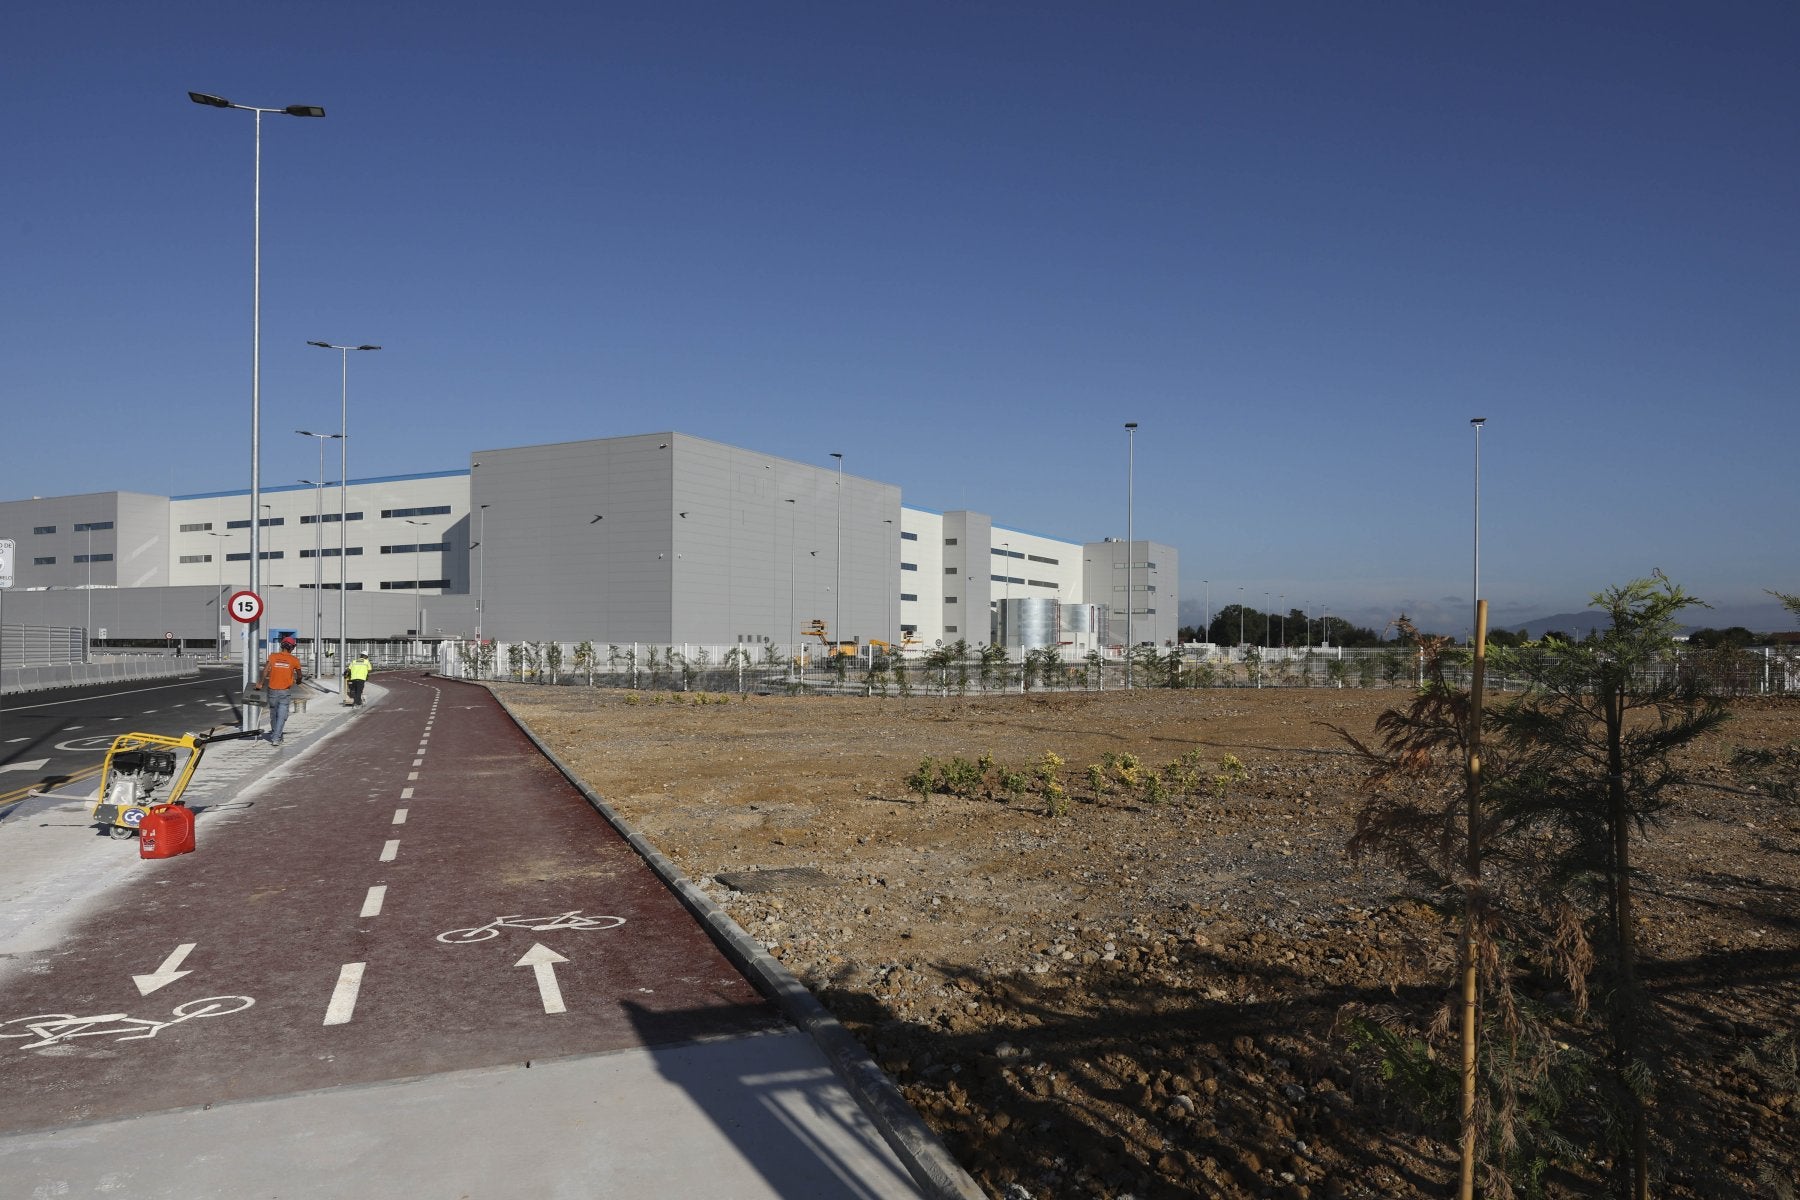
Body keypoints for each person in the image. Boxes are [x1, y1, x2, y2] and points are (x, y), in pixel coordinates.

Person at [259, 635, 304, 745]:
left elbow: (265, 670)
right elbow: (299, 675)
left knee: (273, 713)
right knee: (282, 715)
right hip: (285, 692)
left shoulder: (273, 657)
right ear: (292, 648)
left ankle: (276, 734)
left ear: (281, 645)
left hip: (272, 691)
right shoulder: (294, 660)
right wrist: (298, 681)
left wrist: (260, 683)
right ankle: (276, 738)